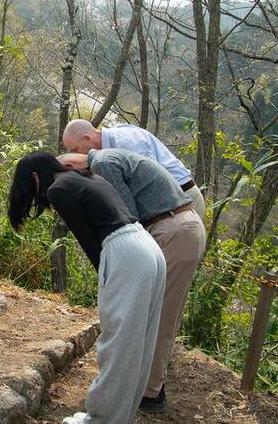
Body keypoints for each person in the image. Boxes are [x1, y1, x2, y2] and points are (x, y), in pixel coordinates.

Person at [8, 151, 166, 424]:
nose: (37, 197)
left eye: (31, 189)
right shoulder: (87, 176)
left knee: (116, 344)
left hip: (125, 252)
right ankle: (120, 417)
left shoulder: (58, 189)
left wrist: (105, 280)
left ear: (35, 177)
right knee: (138, 343)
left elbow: (90, 241)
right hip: (148, 247)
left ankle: (101, 420)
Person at [58, 149, 206, 412]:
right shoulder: (109, 157)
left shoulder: (103, 164)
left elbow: (127, 216)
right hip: (174, 227)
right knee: (153, 314)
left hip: (171, 229)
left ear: (71, 165)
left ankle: (149, 392)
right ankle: (142, 387)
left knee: (159, 315)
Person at [62, 119, 206, 217]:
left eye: (74, 150)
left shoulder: (126, 141)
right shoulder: (108, 150)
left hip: (183, 199)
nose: (74, 155)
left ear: (88, 138)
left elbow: (152, 181)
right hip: (166, 206)